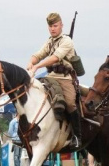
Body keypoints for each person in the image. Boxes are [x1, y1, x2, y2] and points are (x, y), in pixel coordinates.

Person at [27, 12, 82, 149]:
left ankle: (77, 136)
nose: (52, 28)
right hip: (50, 76)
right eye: (50, 26)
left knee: (69, 103)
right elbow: (38, 55)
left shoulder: (67, 41)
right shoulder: (50, 41)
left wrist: (37, 66)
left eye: (55, 25)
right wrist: (30, 63)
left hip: (64, 78)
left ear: (61, 25)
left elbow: (56, 58)